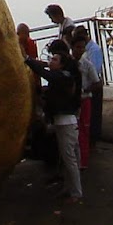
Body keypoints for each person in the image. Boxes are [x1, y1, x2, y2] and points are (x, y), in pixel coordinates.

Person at [26, 40, 82, 201]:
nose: (51, 61)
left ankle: (76, 192)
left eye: (54, 60)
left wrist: (28, 60)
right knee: (68, 158)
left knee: (69, 158)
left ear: (62, 65)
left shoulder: (61, 77)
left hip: (66, 123)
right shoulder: (62, 77)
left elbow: (45, 74)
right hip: (64, 121)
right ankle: (69, 188)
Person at [73, 30, 98, 168]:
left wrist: (84, 90)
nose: (80, 50)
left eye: (82, 47)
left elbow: (96, 83)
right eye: (78, 47)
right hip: (73, 101)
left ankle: (83, 160)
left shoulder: (87, 65)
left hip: (84, 99)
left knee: (83, 130)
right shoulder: (69, 63)